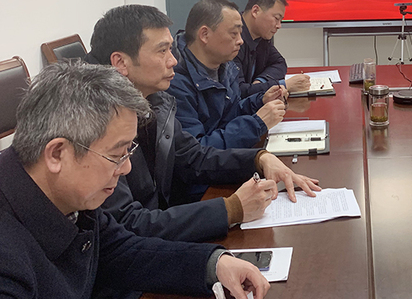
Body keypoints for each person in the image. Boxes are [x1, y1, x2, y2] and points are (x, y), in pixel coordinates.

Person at [0, 61, 269, 299]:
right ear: (57, 154)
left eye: (129, 152)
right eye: (116, 155)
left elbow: (119, 251)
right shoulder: (8, 256)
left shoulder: (69, 195)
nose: (126, 168)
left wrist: (213, 264)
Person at [86, 5, 320, 242]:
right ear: (120, 62)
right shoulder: (94, 121)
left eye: (170, 49)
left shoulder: (154, 99)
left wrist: (258, 159)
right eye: (162, 51)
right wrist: (231, 209)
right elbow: (128, 225)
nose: (173, 60)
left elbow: (193, 156)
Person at [169, 0, 286, 149]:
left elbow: (230, 114)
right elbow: (197, 151)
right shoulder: (174, 81)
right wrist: (256, 123)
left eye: (240, 33)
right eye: (233, 34)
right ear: (204, 35)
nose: (240, 41)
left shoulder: (225, 67)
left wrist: (260, 101)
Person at [235, 0, 311, 98]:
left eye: (281, 20)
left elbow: (279, 63)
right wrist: (284, 85)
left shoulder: (261, 36)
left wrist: (261, 82)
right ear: (255, 11)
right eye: (276, 18)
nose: (279, 26)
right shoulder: (233, 39)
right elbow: (239, 91)